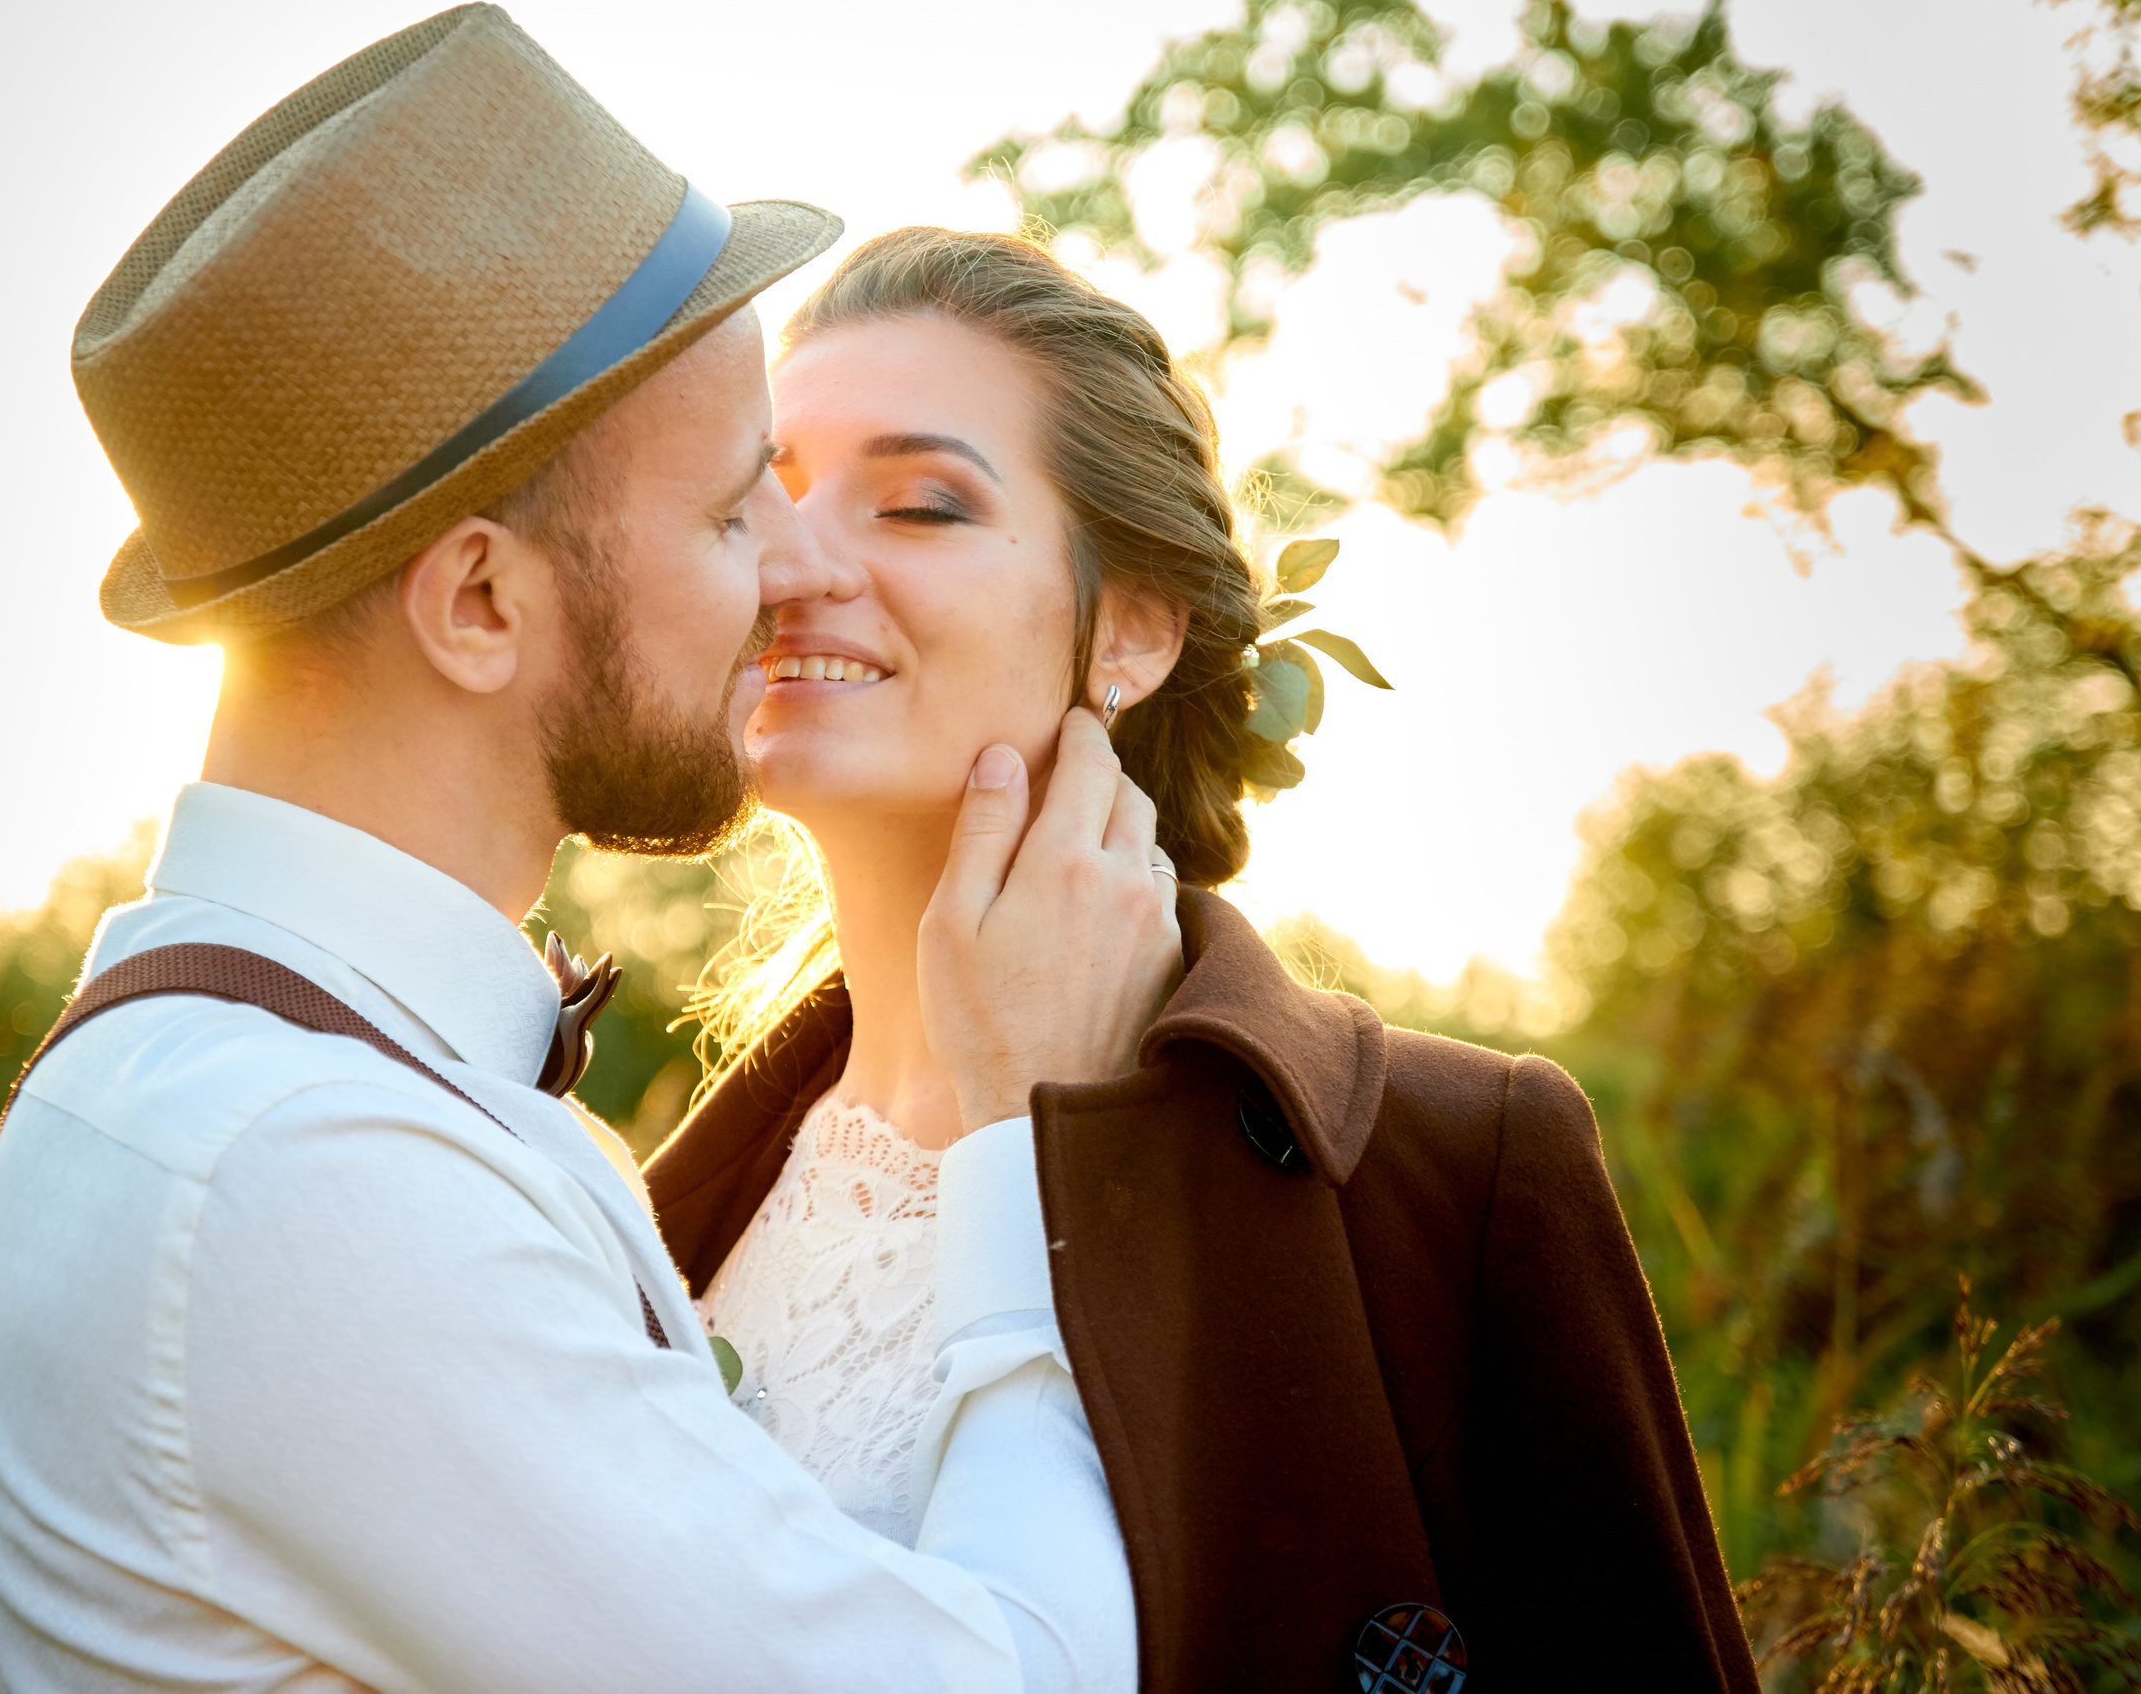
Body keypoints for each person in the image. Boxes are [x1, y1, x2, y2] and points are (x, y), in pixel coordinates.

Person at [0, 8, 1169, 1693]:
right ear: (479, 602)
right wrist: (1028, 1128)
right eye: (731, 511)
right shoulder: (307, 1174)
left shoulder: (257, 1085)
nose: (791, 574)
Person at [648, 229, 1766, 1692]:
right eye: (766, 494)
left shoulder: (1453, 1168)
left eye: (918, 505)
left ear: (1133, 629)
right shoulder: (665, 1194)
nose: (795, 561)